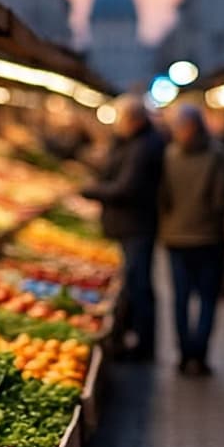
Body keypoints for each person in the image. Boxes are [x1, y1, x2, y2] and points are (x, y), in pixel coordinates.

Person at [82, 95, 165, 361]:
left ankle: (143, 344)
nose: (116, 124)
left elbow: (127, 187)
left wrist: (90, 190)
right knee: (134, 283)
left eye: (120, 119)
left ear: (132, 119)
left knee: (139, 284)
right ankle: (132, 337)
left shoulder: (144, 146)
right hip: (129, 225)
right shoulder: (132, 142)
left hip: (136, 225)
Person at [159, 104, 224, 376]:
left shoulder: (169, 155)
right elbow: (222, 200)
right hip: (208, 238)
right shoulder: (219, 155)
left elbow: (162, 196)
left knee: (180, 298)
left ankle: (185, 353)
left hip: (177, 237)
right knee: (207, 299)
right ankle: (198, 354)